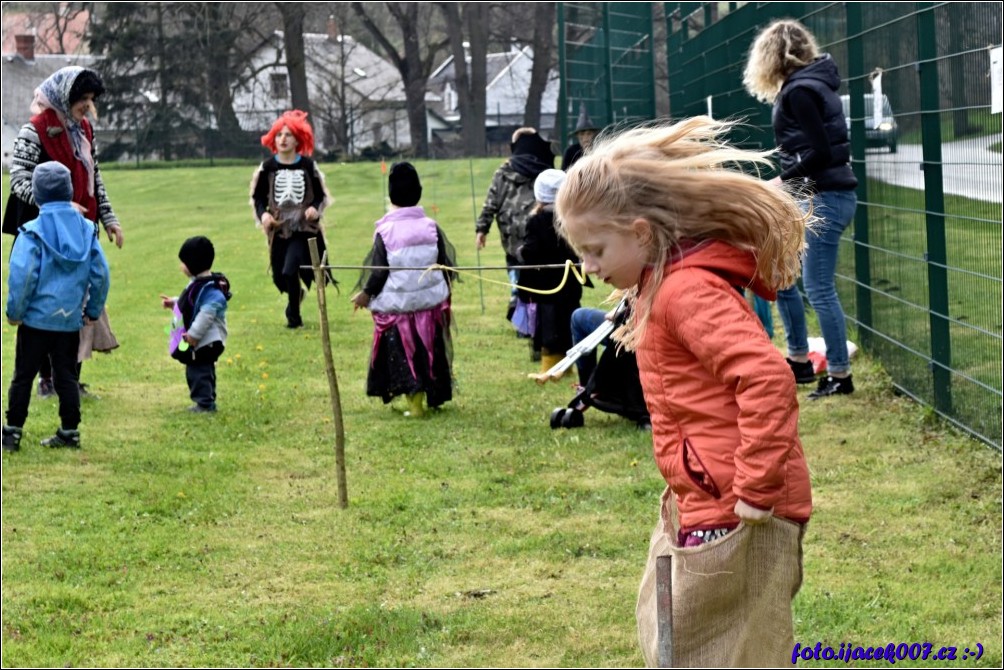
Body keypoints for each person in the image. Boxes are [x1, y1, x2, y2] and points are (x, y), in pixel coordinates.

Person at [555, 116, 813, 666]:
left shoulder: (686, 292)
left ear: (642, 233)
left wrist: (754, 488)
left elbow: (767, 377)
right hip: (705, 498)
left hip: (739, 509)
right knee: (681, 641)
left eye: (597, 249)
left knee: (724, 651)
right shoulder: (658, 284)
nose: (588, 265)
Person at [743, 18, 858, 399]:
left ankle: (839, 375)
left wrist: (781, 179)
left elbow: (820, 151)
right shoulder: (810, 85)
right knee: (788, 278)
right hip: (820, 193)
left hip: (823, 196)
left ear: (772, 55)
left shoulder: (800, 92)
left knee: (819, 288)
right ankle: (799, 361)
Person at [3, 65, 123, 399]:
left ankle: (68, 378)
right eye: (81, 98)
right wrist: (57, 204)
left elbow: (93, 179)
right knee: (46, 302)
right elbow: (18, 180)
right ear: (63, 96)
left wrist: (110, 219)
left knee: (77, 301)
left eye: (90, 98)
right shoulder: (35, 130)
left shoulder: (85, 129)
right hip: (45, 234)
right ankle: (46, 380)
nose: (87, 104)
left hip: (82, 233)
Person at [2, 162, 110, 452]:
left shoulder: (31, 232)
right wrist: (93, 310)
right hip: (69, 321)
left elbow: (22, 276)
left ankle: (11, 433)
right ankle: (70, 431)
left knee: (23, 376)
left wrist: (15, 313)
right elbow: (101, 274)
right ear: (70, 190)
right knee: (66, 376)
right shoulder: (87, 231)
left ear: (37, 193)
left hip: (35, 322)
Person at [351, 162, 456, 418]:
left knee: (407, 356)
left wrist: (365, 295)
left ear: (391, 195)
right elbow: (445, 264)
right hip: (429, 307)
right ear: (418, 192)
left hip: (399, 311)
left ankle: (415, 405)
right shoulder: (431, 227)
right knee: (430, 353)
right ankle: (435, 397)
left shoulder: (385, 231)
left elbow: (378, 271)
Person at [250, 109, 332, 329]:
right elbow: (257, 198)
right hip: (278, 229)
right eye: (279, 135)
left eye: (288, 135)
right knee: (280, 277)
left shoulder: (307, 166)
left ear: (299, 139)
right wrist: (264, 215)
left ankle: (293, 318)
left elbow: (322, 196)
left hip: (302, 229)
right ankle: (296, 295)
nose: (283, 139)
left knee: (290, 269)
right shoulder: (267, 167)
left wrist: (315, 210)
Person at [475, 127, 554, 335]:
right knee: (539, 278)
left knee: (517, 277)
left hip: (512, 236)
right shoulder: (544, 169)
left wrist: (482, 229)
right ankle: (532, 319)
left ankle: (523, 319)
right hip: (540, 234)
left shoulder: (503, 172)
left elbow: (491, 203)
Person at [516, 169, 587, 375]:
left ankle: (550, 368)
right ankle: (567, 368)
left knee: (549, 328)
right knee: (568, 324)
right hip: (569, 286)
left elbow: (531, 251)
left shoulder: (536, 221)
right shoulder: (572, 219)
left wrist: (521, 253)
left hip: (547, 288)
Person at [160, 236, 231, 414]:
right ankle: (207, 400)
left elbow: (206, 315)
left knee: (198, 371)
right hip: (203, 339)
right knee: (203, 369)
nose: (181, 266)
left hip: (207, 340)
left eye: (183, 263)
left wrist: (193, 335)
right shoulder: (199, 284)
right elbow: (191, 303)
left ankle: (205, 404)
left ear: (192, 264)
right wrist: (175, 303)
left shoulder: (211, 290)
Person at [561, 103, 599, 170]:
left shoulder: (599, 150)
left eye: (589, 134)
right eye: (582, 134)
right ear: (577, 136)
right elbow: (564, 173)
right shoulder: (570, 152)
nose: (585, 138)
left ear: (593, 134)